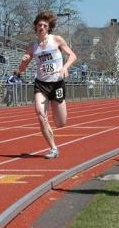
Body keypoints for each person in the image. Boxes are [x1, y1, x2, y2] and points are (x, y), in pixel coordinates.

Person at [18, 11, 77, 159]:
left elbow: (73, 55)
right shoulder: (33, 46)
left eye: (44, 25)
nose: (41, 27)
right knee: (40, 114)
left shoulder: (56, 40)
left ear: (49, 27)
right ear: (35, 27)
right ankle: (53, 148)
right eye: (39, 25)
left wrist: (65, 67)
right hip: (41, 84)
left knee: (60, 123)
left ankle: (56, 122)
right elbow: (22, 69)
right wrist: (25, 60)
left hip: (57, 84)